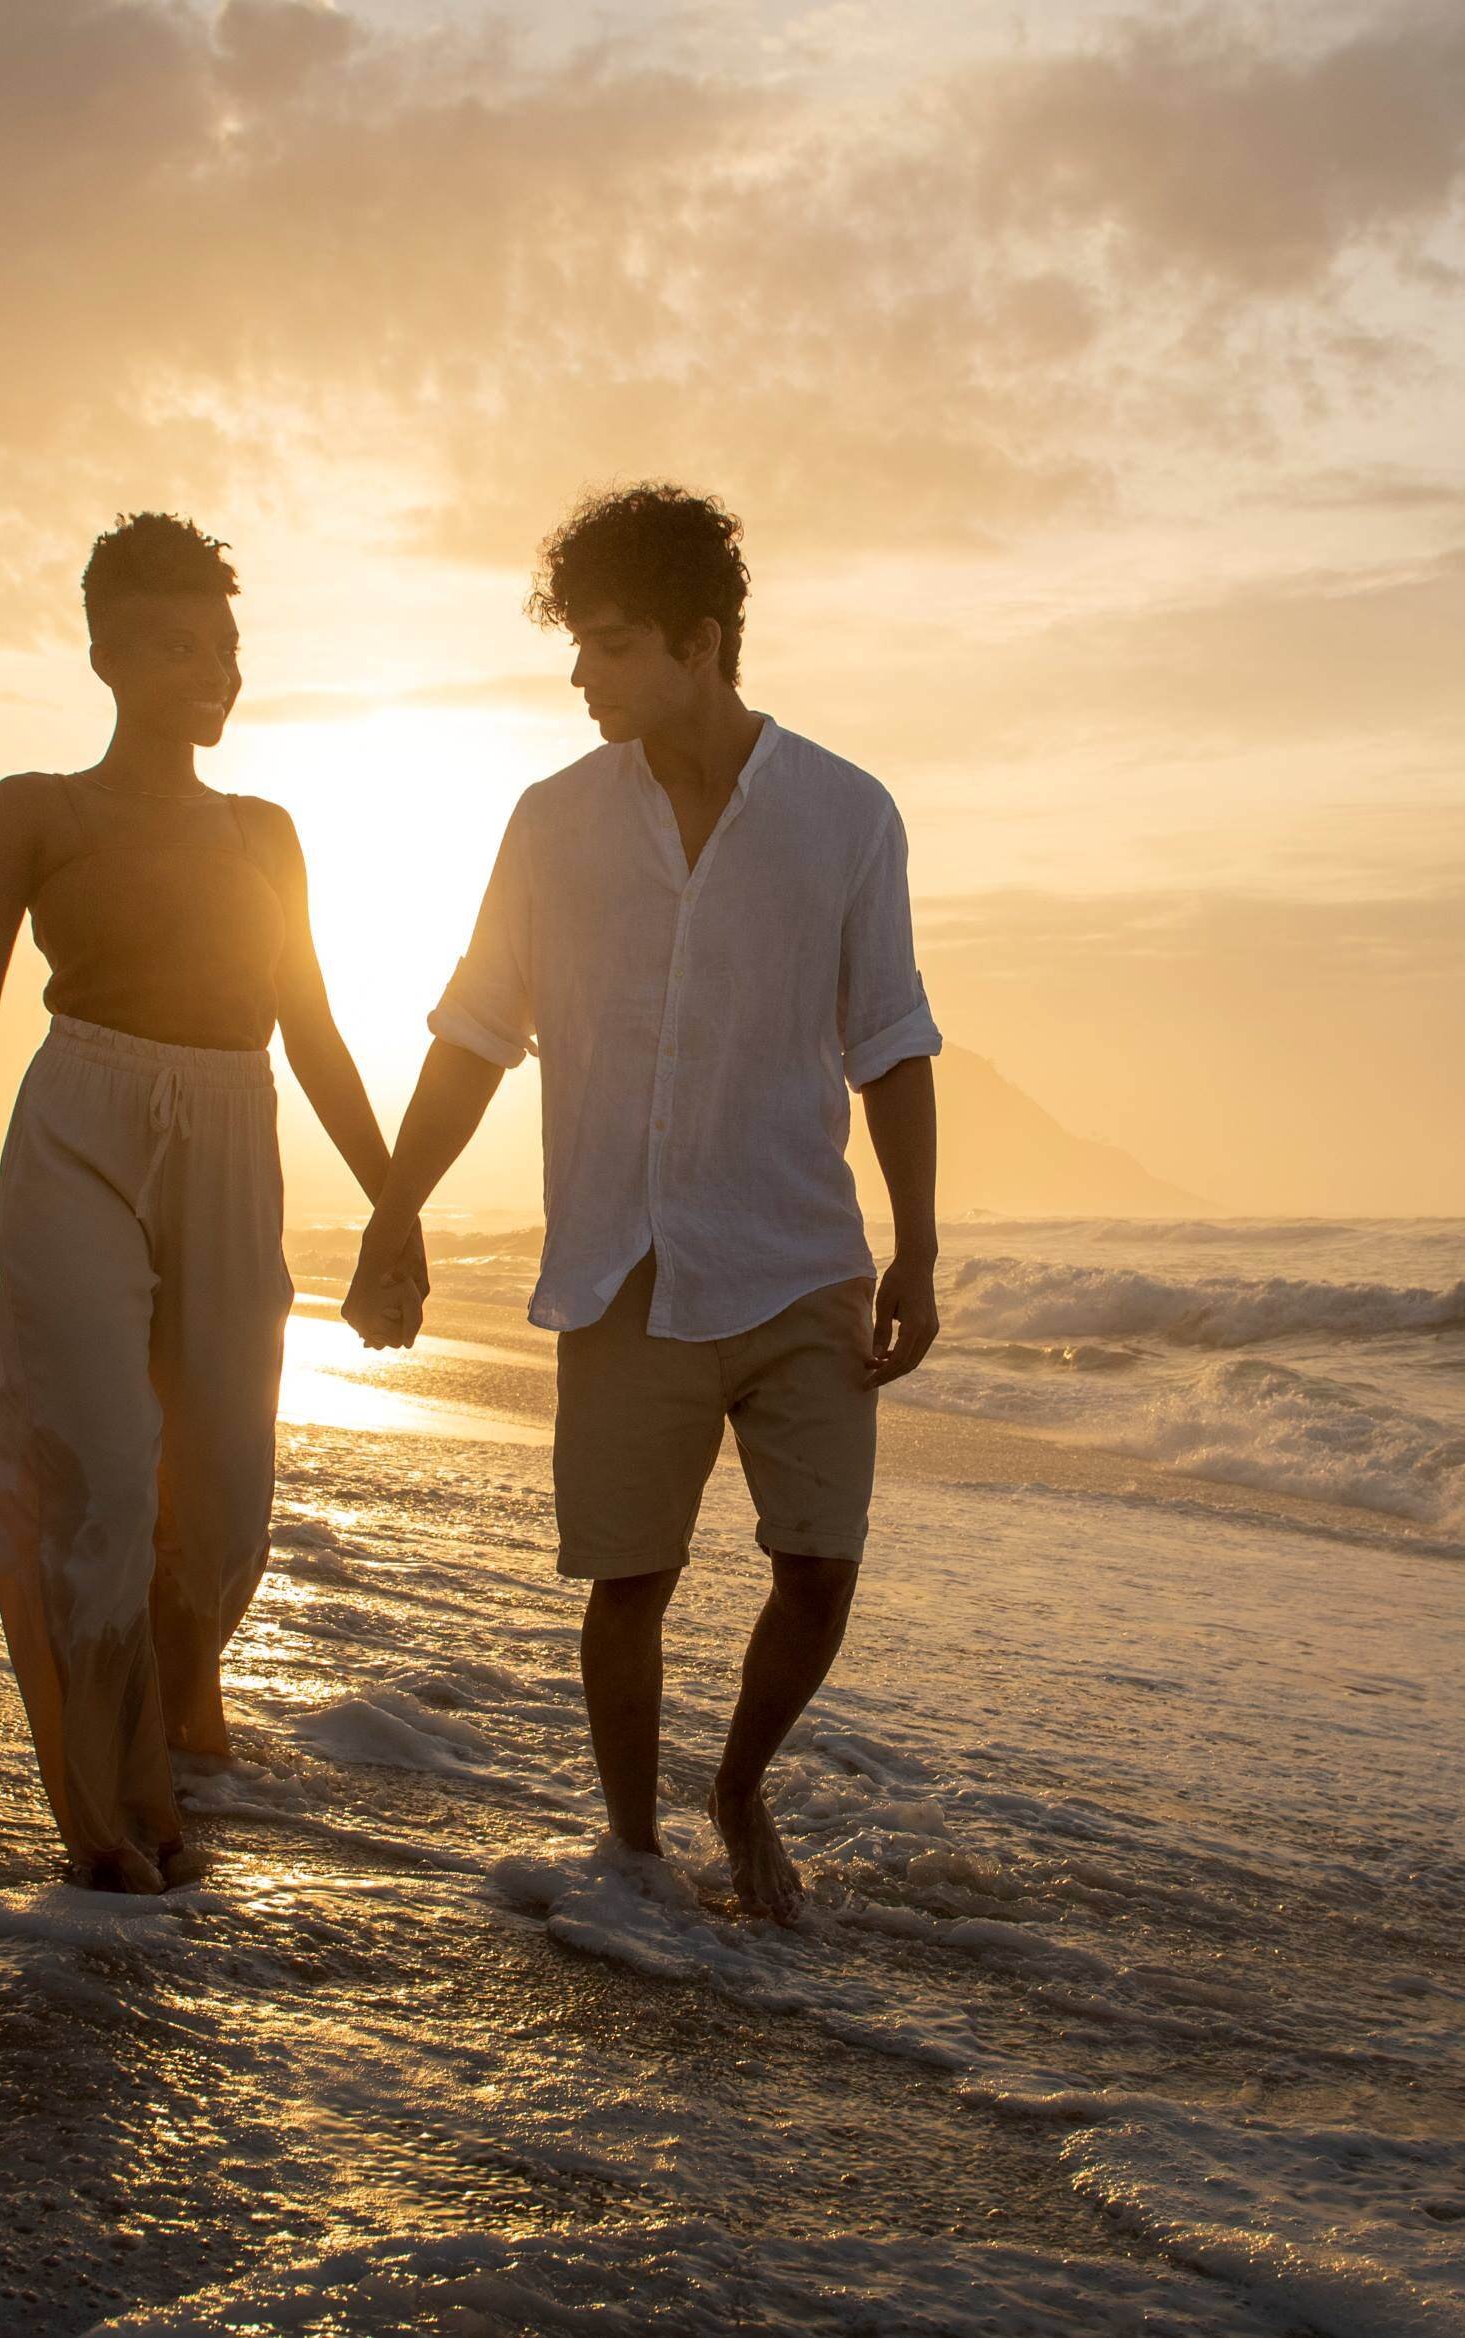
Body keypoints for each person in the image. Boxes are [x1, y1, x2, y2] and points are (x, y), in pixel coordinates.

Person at [346, 483, 942, 1924]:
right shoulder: (551, 823)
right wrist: (392, 1207)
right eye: (576, 643)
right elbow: (476, 1029)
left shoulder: (845, 814)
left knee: (818, 1567)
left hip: (798, 1253)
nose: (578, 675)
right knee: (629, 1578)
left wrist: (917, 1245)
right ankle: (630, 1850)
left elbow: (891, 1039)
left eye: (608, 645)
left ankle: (736, 1785)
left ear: (701, 638)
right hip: (621, 1262)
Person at [0, 512, 415, 1894]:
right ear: (104, 653)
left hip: (234, 1128)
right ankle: (113, 1813)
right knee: (95, 1463)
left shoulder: (268, 829)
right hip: (80, 1122)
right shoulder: (37, 808)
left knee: (220, 1498)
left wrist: (394, 1209)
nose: (209, 672)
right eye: (173, 646)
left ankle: (166, 1720)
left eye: (223, 647)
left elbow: (317, 1030)